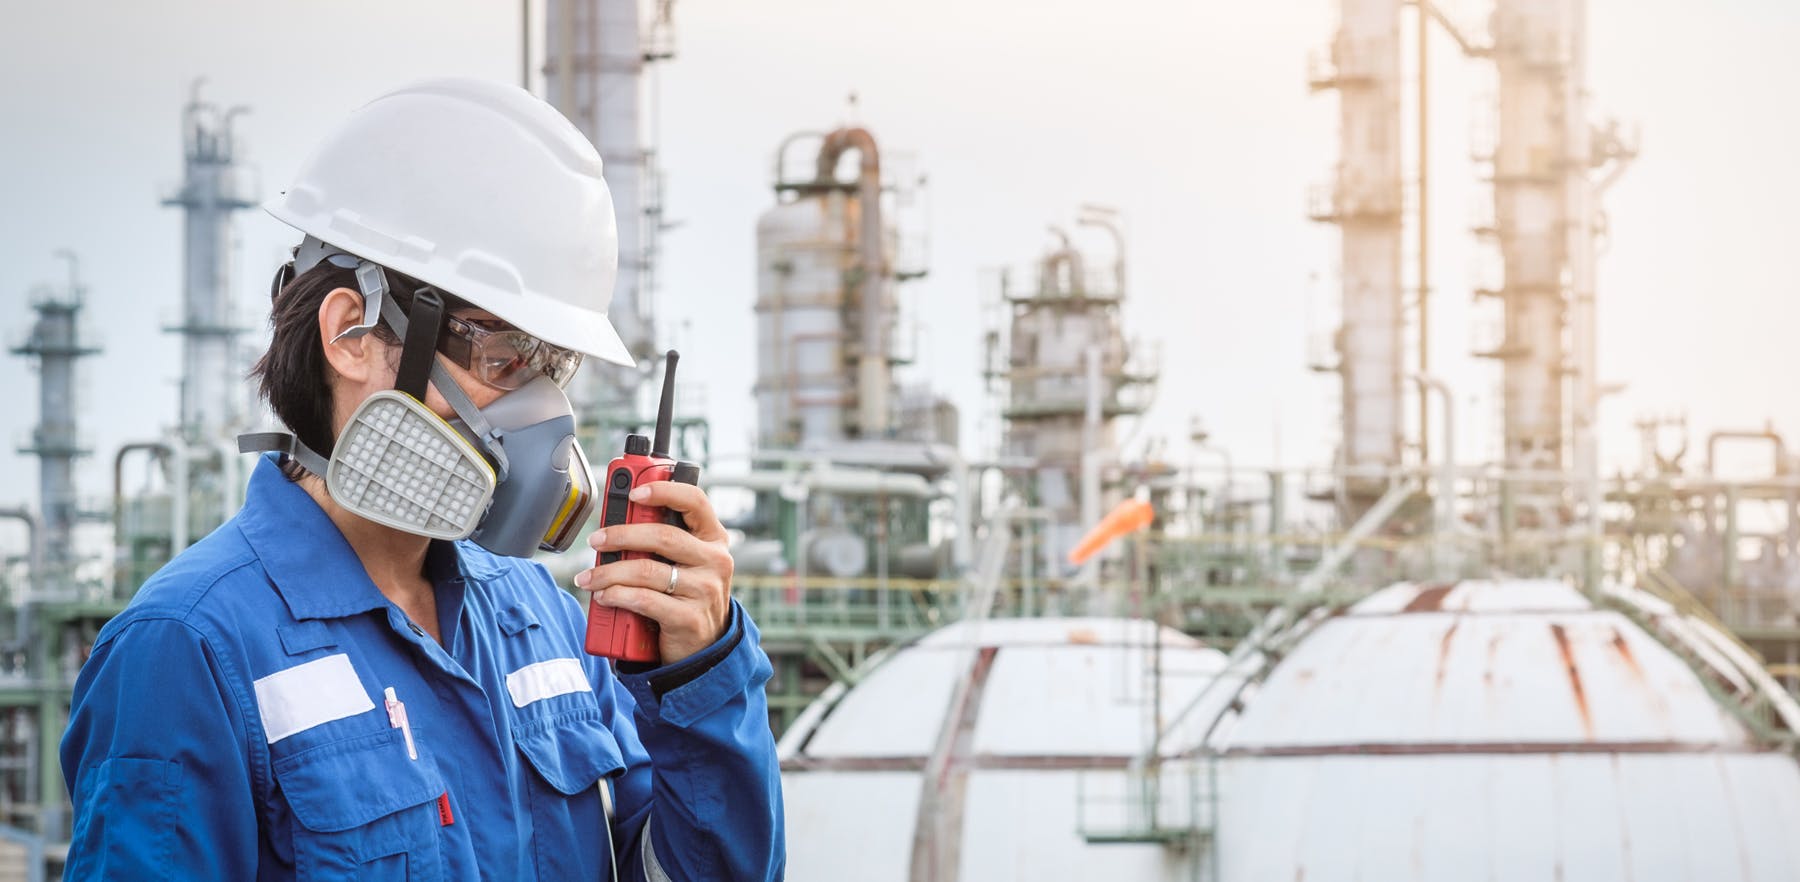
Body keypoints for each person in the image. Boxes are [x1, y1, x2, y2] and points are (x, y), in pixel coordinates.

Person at [60, 78, 784, 880]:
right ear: (352, 333)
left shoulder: (536, 616)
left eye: (552, 368)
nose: (539, 410)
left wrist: (700, 676)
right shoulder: (187, 649)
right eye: (504, 360)